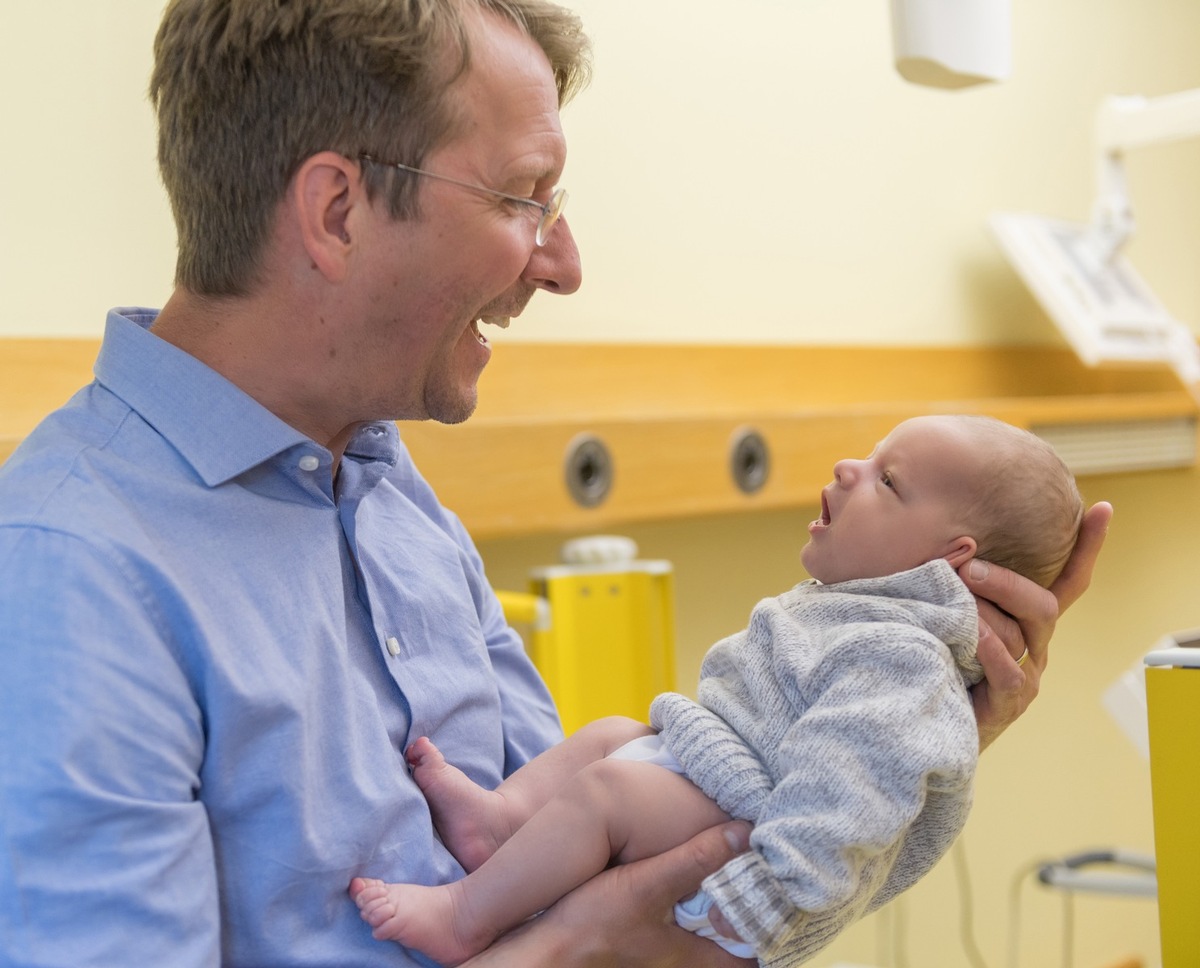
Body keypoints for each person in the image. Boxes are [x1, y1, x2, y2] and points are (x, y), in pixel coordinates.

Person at [0, 0, 1111, 964]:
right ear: (337, 210)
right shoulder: (69, 574)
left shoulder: (386, 497)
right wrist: (592, 947)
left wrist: (903, 735)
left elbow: (615, 873)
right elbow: (606, 933)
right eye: (525, 197)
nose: (565, 262)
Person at [349, 414, 1084, 965]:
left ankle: (465, 914)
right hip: (720, 774)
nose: (848, 467)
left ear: (950, 559)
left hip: (752, 842)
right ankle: (498, 822)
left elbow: (849, 800)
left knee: (609, 790)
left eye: (889, 481)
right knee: (610, 735)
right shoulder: (861, 615)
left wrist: (768, 896)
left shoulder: (902, 658)